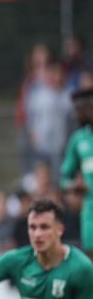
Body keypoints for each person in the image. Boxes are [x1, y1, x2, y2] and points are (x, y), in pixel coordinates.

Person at [60, 87, 93, 257]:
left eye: (79, 109)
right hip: (90, 211)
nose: (76, 115)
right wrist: (73, 186)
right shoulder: (78, 140)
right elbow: (64, 177)